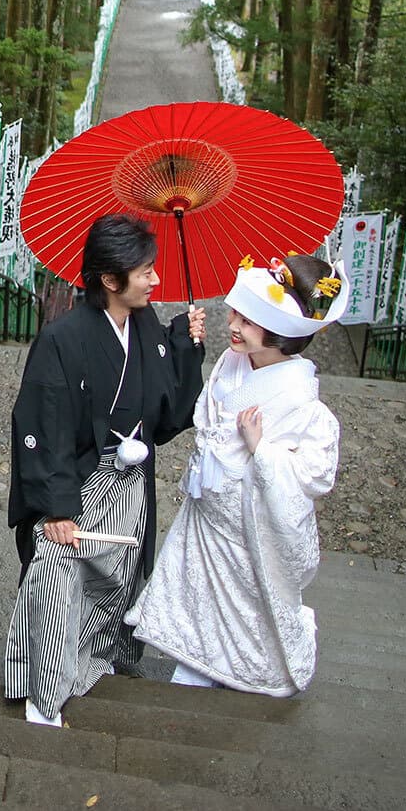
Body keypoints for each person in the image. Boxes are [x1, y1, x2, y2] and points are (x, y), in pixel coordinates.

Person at [1, 214, 204, 726]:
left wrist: (187, 349)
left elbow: (167, 418)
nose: (155, 280)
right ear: (110, 280)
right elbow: (41, 426)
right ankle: (41, 692)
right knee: (60, 577)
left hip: (131, 482)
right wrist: (56, 509)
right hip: (81, 482)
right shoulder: (62, 340)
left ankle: (102, 658)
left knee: (119, 576)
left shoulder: (149, 324)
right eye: (145, 272)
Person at [126, 252, 345, 698]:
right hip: (208, 508)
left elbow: (315, 475)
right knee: (197, 598)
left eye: (247, 320)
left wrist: (261, 450)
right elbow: (203, 413)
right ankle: (193, 671)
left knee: (244, 608)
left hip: (247, 528)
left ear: (280, 334)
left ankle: (244, 671)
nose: (234, 325)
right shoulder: (233, 360)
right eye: (237, 314)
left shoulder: (302, 404)